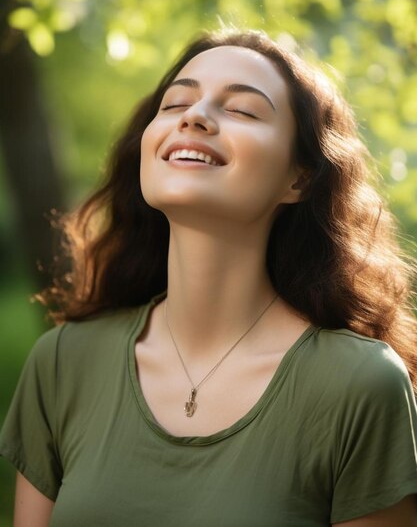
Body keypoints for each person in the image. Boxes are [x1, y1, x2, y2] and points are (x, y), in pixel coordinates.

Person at [1, 29, 417, 527]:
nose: (194, 116)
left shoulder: (360, 385)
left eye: (241, 110)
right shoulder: (63, 363)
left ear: (299, 177)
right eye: (175, 104)